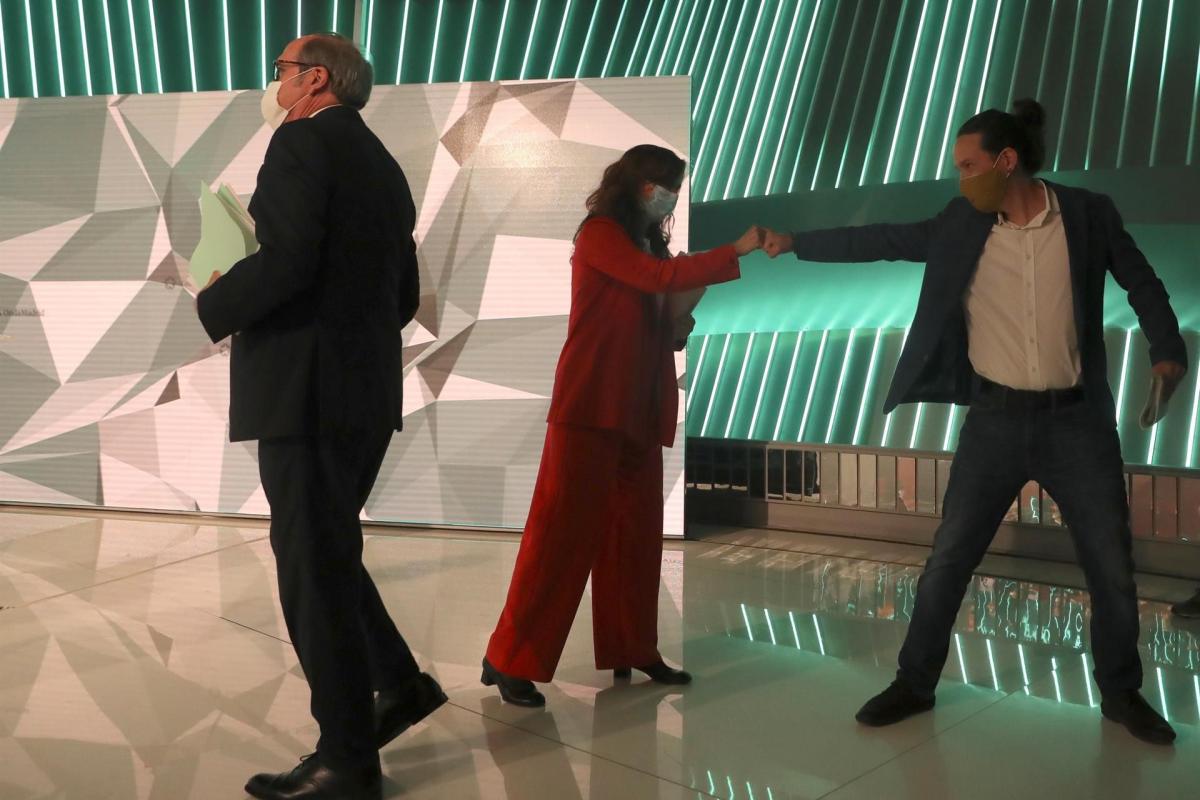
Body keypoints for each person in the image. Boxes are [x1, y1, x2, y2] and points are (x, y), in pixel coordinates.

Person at [761, 99, 1187, 745]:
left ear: (1006, 161)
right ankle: (914, 683)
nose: (961, 178)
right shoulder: (961, 222)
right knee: (950, 559)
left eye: (968, 165)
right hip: (995, 421)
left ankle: (1122, 694)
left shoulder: (1086, 214)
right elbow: (880, 240)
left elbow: (1143, 283)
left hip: (1077, 422)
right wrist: (796, 243)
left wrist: (1166, 352)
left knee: (1111, 567)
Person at [197, 34, 444, 800]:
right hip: (363, 392)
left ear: (314, 79)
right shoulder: (381, 162)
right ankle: (399, 685)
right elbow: (402, 295)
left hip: (304, 392)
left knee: (312, 568)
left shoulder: (301, 143)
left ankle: (346, 759)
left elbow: (290, 259)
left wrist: (216, 298)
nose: (271, 84)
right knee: (329, 552)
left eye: (278, 70)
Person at [481, 145, 763, 706]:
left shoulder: (645, 239)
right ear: (637, 185)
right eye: (664, 186)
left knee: (635, 537)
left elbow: (655, 294)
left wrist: (675, 327)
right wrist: (734, 251)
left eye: (675, 187)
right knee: (559, 536)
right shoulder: (600, 234)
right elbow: (653, 279)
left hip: (637, 403)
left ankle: (632, 647)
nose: (670, 197)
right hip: (590, 403)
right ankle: (509, 658)